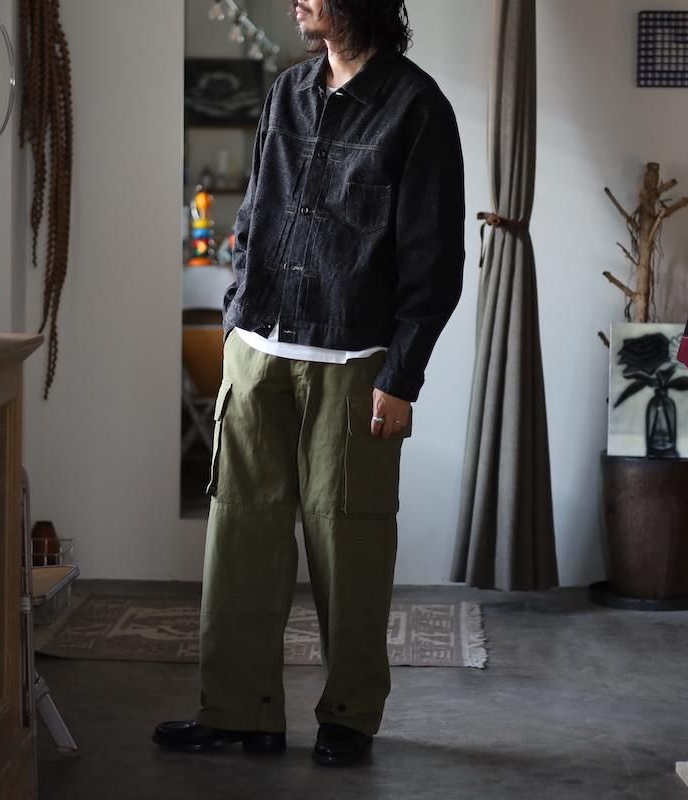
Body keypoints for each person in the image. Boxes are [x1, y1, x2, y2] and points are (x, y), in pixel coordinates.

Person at [154, 0, 465, 767]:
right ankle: (240, 712)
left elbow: (434, 259)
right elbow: (255, 210)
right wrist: (236, 315)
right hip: (256, 348)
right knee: (239, 538)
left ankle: (349, 717)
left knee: (349, 544)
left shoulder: (417, 107)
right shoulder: (287, 92)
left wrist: (402, 376)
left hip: (354, 364)